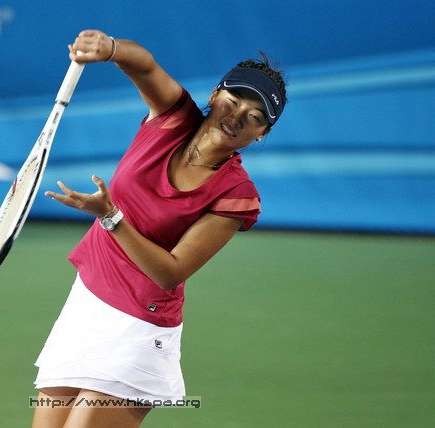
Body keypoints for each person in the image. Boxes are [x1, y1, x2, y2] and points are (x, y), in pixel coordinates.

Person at [31, 29, 287, 428]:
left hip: (139, 325)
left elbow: (171, 271)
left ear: (262, 134)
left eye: (254, 117)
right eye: (234, 100)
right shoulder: (172, 116)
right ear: (215, 94)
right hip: (86, 302)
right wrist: (110, 48)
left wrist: (111, 216)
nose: (237, 116)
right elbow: (145, 66)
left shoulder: (236, 193)